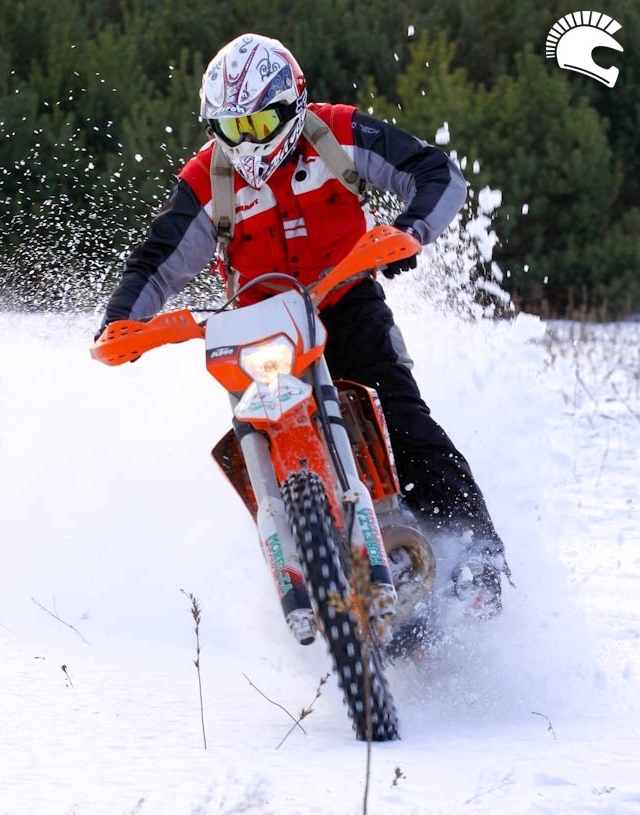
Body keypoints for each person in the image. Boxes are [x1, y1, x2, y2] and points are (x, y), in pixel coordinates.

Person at [99, 32, 507, 619]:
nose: (247, 141)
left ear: (293, 105)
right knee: (257, 438)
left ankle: (479, 562)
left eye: (260, 123)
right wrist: (121, 323)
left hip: (346, 300)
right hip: (258, 327)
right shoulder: (207, 179)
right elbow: (155, 262)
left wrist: (409, 230)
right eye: (232, 128)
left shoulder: (336, 132)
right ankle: (308, 568)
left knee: (405, 422)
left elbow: (436, 172)